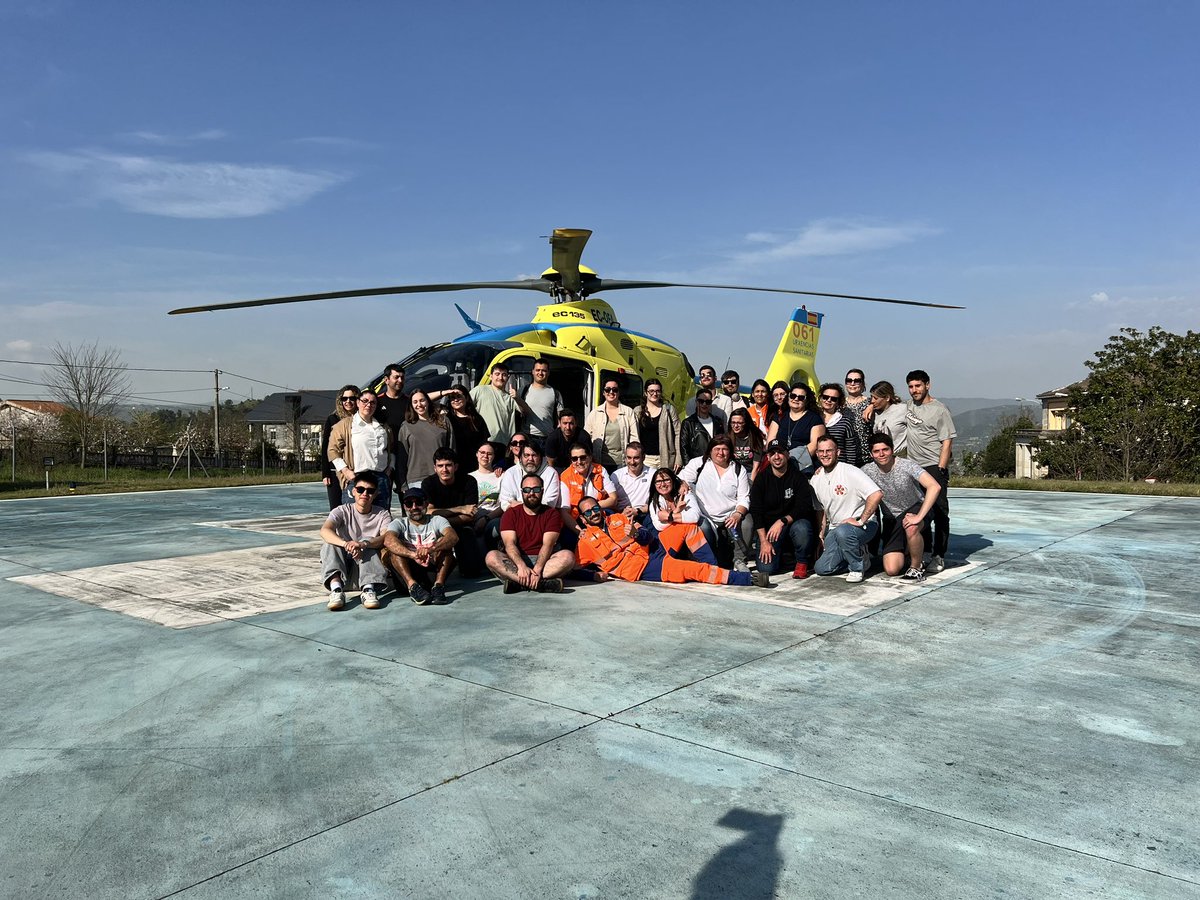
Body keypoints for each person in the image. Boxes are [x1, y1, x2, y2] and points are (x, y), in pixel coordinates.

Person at [573, 497, 769, 587]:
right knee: (693, 570)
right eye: (588, 512)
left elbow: (647, 537)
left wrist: (636, 534)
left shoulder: (617, 517)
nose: (594, 513)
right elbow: (573, 568)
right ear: (583, 518)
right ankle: (747, 580)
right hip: (645, 567)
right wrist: (594, 577)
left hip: (653, 547)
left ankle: (713, 567)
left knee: (688, 527)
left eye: (595, 508)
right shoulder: (585, 542)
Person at [861, 433, 942, 581]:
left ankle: (916, 568)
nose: (881, 454)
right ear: (871, 454)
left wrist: (919, 516)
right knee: (891, 569)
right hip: (892, 519)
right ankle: (913, 548)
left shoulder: (906, 465)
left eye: (885, 449)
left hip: (916, 507)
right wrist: (822, 471)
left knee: (911, 525)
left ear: (892, 450)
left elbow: (934, 486)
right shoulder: (867, 470)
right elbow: (848, 479)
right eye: (876, 451)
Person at [486, 473, 575, 593]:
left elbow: (548, 545)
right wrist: (521, 566)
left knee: (568, 557)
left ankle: (518, 584)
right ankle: (542, 585)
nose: (531, 493)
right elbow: (509, 544)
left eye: (536, 489)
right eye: (527, 490)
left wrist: (538, 569)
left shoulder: (552, 514)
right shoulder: (510, 514)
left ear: (542, 491)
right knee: (491, 557)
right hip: (517, 561)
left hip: (545, 561)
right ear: (522, 491)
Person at [810, 436, 882, 583]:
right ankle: (859, 554)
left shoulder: (850, 471)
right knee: (822, 568)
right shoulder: (815, 479)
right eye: (821, 451)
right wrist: (821, 534)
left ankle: (857, 568)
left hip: (863, 525)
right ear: (816, 454)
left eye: (829, 450)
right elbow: (820, 510)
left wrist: (861, 520)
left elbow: (876, 494)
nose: (825, 454)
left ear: (838, 452)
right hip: (836, 529)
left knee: (844, 531)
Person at [905, 369, 956, 573]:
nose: (914, 390)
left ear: (928, 385)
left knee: (940, 511)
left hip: (933, 466)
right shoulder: (908, 406)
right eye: (911, 386)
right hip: (913, 466)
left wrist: (941, 468)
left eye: (918, 386)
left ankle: (938, 555)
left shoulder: (939, 410)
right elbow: (887, 400)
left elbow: (947, 441)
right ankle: (924, 552)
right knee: (920, 511)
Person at [319, 471, 393, 610]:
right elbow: (325, 530)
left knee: (369, 541)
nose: (365, 493)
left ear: (375, 494)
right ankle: (336, 590)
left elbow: (387, 537)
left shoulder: (382, 514)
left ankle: (368, 590)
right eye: (360, 489)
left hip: (370, 572)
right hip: (343, 571)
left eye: (370, 491)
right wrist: (346, 544)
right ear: (353, 491)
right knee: (330, 543)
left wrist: (363, 544)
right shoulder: (341, 510)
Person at [679, 435, 753, 571]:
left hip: (730, 515)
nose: (721, 453)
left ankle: (740, 560)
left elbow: (744, 497)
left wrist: (738, 514)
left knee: (747, 522)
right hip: (706, 516)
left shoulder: (738, 469)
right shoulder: (699, 463)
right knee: (703, 529)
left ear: (730, 452)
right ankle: (707, 561)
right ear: (710, 450)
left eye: (724, 449)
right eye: (717, 449)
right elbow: (679, 479)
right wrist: (683, 483)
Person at [750, 439, 818, 579]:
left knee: (803, 528)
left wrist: (782, 521)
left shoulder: (798, 477)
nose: (777, 456)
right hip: (770, 531)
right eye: (773, 453)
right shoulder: (761, 479)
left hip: (793, 523)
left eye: (780, 452)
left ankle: (802, 562)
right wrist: (763, 541)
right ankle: (783, 556)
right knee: (766, 569)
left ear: (787, 455)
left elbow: (804, 506)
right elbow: (756, 511)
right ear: (768, 457)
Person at [382, 487, 458, 605]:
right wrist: (412, 555)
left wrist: (431, 549)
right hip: (408, 576)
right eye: (409, 503)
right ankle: (413, 587)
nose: (414, 507)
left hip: (432, 572)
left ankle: (438, 587)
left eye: (418, 502)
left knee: (445, 546)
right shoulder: (399, 523)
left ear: (426, 504)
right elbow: (388, 540)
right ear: (404, 506)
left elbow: (453, 537)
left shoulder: (437, 520)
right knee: (392, 551)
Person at [420, 447, 484, 578]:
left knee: (472, 572)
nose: (444, 469)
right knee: (430, 572)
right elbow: (429, 512)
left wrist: (441, 517)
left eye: (448, 465)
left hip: (462, 527)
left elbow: (470, 516)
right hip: (436, 530)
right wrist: (460, 509)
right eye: (440, 466)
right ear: (435, 468)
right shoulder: (428, 483)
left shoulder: (469, 481)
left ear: (456, 467)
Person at [328, 388, 394, 508]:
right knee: (354, 520)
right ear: (358, 403)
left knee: (381, 518)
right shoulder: (344, 425)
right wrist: (346, 471)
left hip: (380, 479)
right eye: (365, 401)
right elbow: (333, 451)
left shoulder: (383, 427)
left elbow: (392, 449)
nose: (368, 405)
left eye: (372, 402)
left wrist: (390, 468)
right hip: (356, 478)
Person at [557, 443, 618, 547]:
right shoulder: (565, 477)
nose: (579, 462)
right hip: (577, 518)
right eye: (574, 459)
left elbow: (613, 499)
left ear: (590, 457)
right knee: (568, 538)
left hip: (599, 512)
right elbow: (564, 512)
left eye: (583, 457)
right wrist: (580, 532)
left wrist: (592, 509)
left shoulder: (600, 470)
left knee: (613, 523)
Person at [398, 389, 454, 488]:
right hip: (416, 479)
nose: (419, 404)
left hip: (442, 477)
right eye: (415, 402)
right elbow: (402, 458)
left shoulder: (444, 421)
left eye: (422, 400)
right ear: (411, 405)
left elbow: (452, 449)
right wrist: (403, 485)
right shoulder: (406, 426)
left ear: (428, 401)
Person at [766, 383, 825, 473]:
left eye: (801, 397)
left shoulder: (814, 418)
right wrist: (779, 458)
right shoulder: (779, 417)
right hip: (778, 464)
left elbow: (814, 445)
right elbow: (770, 442)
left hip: (802, 466)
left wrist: (790, 459)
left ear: (806, 400)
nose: (796, 399)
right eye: (793, 396)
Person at [584, 377, 639, 471]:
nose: (611, 392)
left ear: (619, 392)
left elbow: (635, 438)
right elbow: (586, 437)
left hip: (622, 463)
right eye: (607, 389)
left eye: (615, 389)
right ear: (603, 392)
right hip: (599, 462)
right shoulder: (595, 413)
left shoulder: (628, 412)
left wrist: (633, 459)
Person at [319, 385, 358, 510]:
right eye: (344, 399)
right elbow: (326, 447)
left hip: (355, 470)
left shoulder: (363, 420)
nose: (348, 402)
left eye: (352, 398)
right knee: (336, 509)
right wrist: (325, 473)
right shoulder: (333, 419)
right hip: (335, 471)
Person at [497, 440, 562, 510]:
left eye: (534, 455)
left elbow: (550, 503)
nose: (530, 459)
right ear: (520, 458)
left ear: (540, 457)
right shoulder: (510, 473)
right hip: (515, 516)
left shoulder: (551, 473)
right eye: (526, 455)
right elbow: (505, 503)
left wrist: (519, 505)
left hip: (541, 517)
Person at [633, 378, 681, 470]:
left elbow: (678, 434)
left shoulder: (669, 410)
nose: (655, 394)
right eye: (651, 391)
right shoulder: (637, 411)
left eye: (657, 391)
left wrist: (678, 459)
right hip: (645, 459)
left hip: (665, 458)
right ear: (645, 393)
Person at [818, 382, 866, 467]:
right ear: (821, 398)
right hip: (817, 469)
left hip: (840, 468)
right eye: (825, 397)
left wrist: (848, 469)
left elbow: (851, 449)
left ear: (838, 402)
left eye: (833, 399)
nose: (828, 400)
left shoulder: (845, 422)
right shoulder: (812, 419)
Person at [470, 363, 521, 443]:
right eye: (497, 374)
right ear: (491, 376)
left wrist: (517, 398)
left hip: (503, 444)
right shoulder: (479, 390)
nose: (500, 378)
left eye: (504, 375)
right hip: (483, 442)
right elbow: (465, 407)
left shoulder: (511, 398)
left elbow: (525, 411)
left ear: (508, 377)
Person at [444, 387, 490, 472]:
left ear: (466, 398)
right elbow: (427, 401)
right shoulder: (446, 419)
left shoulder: (476, 419)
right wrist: (445, 392)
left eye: (459, 396)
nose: (456, 400)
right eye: (453, 398)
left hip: (473, 465)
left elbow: (484, 443)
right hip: (453, 466)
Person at [679, 388, 727, 466]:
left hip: (715, 465)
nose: (704, 404)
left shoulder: (718, 422)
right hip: (696, 465)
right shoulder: (688, 423)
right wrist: (689, 467)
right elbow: (684, 448)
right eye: (701, 401)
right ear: (696, 402)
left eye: (708, 402)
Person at [470, 441, 504, 549]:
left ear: (494, 456)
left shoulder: (501, 476)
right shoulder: (469, 477)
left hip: (492, 517)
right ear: (477, 454)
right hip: (472, 518)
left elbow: (503, 505)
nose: (485, 456)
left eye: (489, 453)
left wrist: (486, 519)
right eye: (482, 452)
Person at [518, 358, 562, 441]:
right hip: (527, 436)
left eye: (544, 370)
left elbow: (560, 417)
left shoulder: (555, 393)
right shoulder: (523, 391)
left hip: (548, 438)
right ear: (532, 371)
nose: (540, 373)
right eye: (537, 370)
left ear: (548, 373)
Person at [863, 380, 908, 455]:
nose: (872, 401)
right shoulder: (872, 413)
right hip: (881, 457)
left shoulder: (903, 409)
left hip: (900, 455)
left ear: (887, 398)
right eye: (871, 397)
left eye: (876, 398)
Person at [613, 441, 654, 522]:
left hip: (643, 514)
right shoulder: (616, 475)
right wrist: (621, 511)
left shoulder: (653, 474)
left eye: (636, 458)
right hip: (621, 514)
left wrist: (638, 511)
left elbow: (659, 501)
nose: (632, 462)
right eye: (629, 458)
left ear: (643, 457)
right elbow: (610, 499)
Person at [842, 369, 874, 462]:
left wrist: (872, 405)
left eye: (856, 381)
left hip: (867, 457)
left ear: (863, 383)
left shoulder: (870, 402)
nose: (852, 383)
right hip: (846, 456)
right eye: (849, 380)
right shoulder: (839, 404)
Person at [726, 407, 765, 481]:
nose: (736, 426)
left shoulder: (755, 437)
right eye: (733, 422)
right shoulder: (727, 438)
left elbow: (756, 466)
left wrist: (751, 484)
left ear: (746, 423)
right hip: (732, 473)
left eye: (739, 423)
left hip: (750, 472)